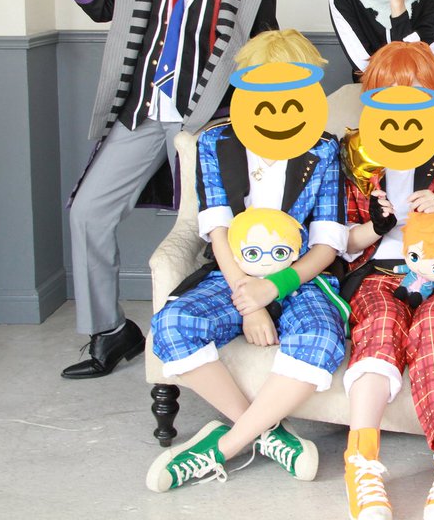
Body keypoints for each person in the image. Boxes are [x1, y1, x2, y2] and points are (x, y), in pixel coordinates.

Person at [43, 0, 277, 380]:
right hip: (142, 112)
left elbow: (262, 44)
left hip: (207, 118)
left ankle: (222, 323)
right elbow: (104, 7)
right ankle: (110, 331)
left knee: (217, 227)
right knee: (87, 212)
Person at [146, 30, 347, 492]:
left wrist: (274, 288)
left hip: (301, 276)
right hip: (233, 273)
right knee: (172, 324)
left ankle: (226, 446)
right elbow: (217, 231)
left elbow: (327, 243)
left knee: (320, 336)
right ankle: (265, 433)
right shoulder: (216, 143)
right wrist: (249, 301)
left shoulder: (324, 148)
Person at [337, 41, 434, 520]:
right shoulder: (356, 151)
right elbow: (343, 241)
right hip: (378, 270)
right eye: (391, 90)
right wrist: (374, 226)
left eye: (417, 90)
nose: (404, 100)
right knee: (380, 325)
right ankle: (361, 461)